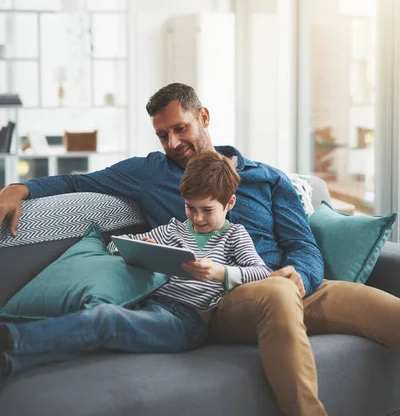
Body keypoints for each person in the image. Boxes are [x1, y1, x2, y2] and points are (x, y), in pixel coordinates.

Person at [1, 83, 399, 416]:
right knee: (275, 293)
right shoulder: (150, 174)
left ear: (203, 117)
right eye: (162, 135)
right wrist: (18, 189)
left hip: (291, 283)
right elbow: (76, 181)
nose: (172, 143)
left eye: (180, 128)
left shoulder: (268, 178)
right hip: (223, 300)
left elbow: (303, 246)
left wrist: (303, 277)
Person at [0, 150, 271, 378]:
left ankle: (14, 336)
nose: (197, 218)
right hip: (151, 304)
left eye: (207, 210)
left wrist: (220, 273)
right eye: (190, 207)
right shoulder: (172, 230)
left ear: (229, 203)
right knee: (99, 334)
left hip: (188, 321)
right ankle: (13, 364)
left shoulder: (234, 235)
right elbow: (114, 244)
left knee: (106, 318)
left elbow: (263, 272)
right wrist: (141, 246)